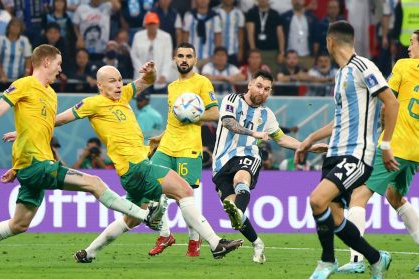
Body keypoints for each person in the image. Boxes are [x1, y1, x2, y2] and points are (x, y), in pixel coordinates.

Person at [0, 45, 165, 257]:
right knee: (94, 183)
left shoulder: (51, 94)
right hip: (38, 166)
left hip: (32, 166)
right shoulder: (23, 85)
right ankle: (146, 217)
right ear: (46, 62)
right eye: (58, 64)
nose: (61, 70)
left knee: (19, 224)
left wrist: (17, 167)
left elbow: (40, 130)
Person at [54, 62, 243, 262]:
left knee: (131, 219)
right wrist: (26, 130)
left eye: (120, 80)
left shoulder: (124, 94)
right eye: (112, 81)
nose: (118, 85)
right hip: (137, 168)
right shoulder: (92, 103)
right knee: (185, 191)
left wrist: (151, 73)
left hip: (132, 171)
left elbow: (147, 81)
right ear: (100, 85)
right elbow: (61, 120)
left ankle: (88, 252)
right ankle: (215, 244)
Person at [295, 21, 400, 279]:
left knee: (316, 200)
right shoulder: (341, 74)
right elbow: (340, 119)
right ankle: (376, 258)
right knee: (336, 217)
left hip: (357, 155)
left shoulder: (363, 66)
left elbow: (391, 101)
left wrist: (385, 145)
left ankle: (327, 260)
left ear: (331, 41)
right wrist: (309, 139)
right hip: (334, 153)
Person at [212, 70, 327, 264]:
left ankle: (237, 213)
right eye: (259, 86)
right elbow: (229, 123)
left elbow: (281, 139)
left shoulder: (267, 115)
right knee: (232, 209)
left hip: (247, 156)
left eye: (267, 89)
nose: (263, 92)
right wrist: (254, 133)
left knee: (241, 178)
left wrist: (306, 147)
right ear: (249, 84)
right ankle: (257, 243)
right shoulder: (232, 99)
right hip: (221, 163)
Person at [338, 30, 419, 274]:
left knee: (358, 195)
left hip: (397, 144)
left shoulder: (405, 66)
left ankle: (356, 261)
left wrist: (384, 136)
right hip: (416, 150)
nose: (408, 47)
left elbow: (388, 101)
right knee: (394, 196)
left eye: (413, 42)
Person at [145, 42, 221, 257]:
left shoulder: (202, 82)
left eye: (189, 56)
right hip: (167, 146)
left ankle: (194, 240)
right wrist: (158, 139)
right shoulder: (172, 87)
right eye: (180, 56)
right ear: (174, 60)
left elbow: (215, 114)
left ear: (195, 60)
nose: (184, 59)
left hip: (189, 148)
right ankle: (164, 234)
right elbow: (173, 121)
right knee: (152, 187)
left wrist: (194, 115)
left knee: (184, 199)